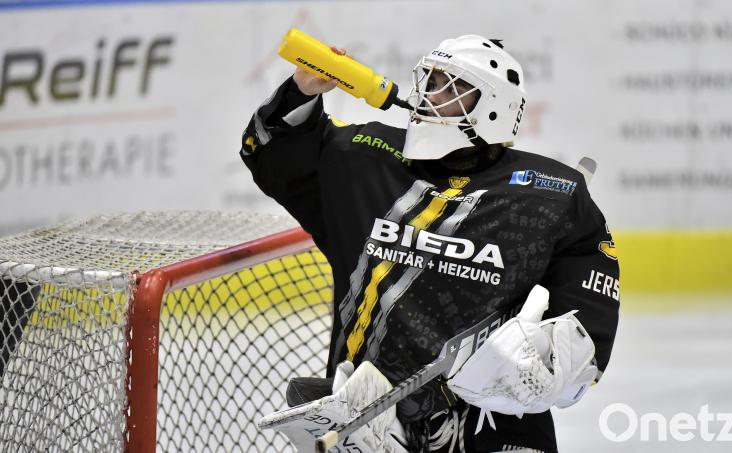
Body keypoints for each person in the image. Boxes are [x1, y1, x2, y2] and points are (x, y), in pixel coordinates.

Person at [241, 35, 619, 453]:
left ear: (494, 105)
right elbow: (274, 160)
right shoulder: (364, 160)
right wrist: (301, 92)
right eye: (429, 79)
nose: (428, 95)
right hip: (368, 423)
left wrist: (559, 355)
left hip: (495, 430)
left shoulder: (548, 195)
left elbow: (589, 295)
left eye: (452, 87)